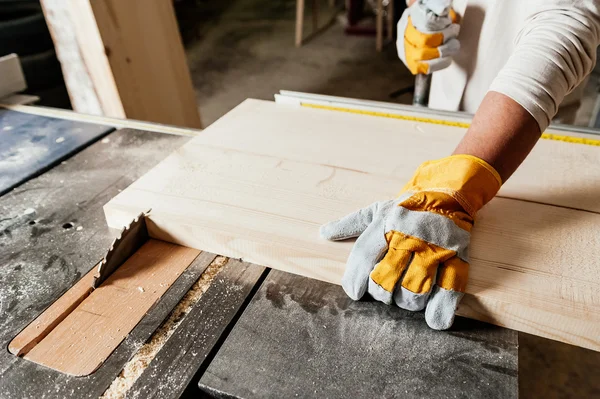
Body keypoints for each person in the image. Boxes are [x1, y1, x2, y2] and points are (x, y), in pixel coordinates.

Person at [319, 0, 600, 330]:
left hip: (517, 144)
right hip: (442, 121)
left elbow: (564, 25)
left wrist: (454, 185)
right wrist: (414, 20)